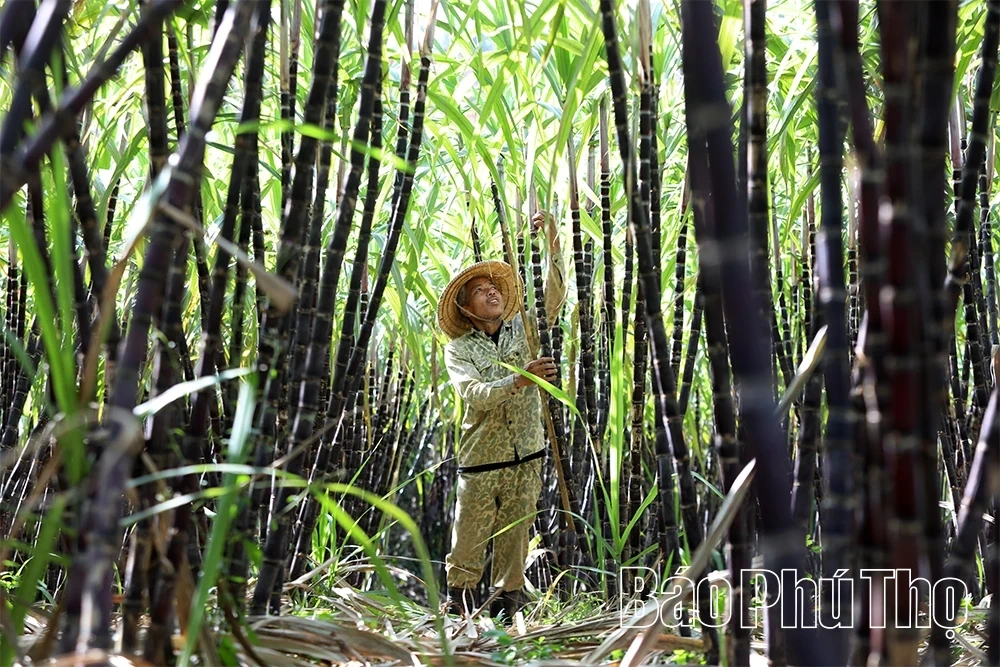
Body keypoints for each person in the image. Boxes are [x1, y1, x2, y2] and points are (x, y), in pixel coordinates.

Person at [436, 218, 559, 619]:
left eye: (494, 288)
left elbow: (554, 298)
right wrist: (521, 379)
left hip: (528, 454)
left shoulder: (524, 329)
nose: (490, 292)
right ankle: (459, 612)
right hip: (482, 460)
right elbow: (475, 394)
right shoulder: (458, 350)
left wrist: (553, 241)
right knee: (469, 540)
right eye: (479, 291)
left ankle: (509, 612)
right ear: (465, 309)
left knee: (515, 539)